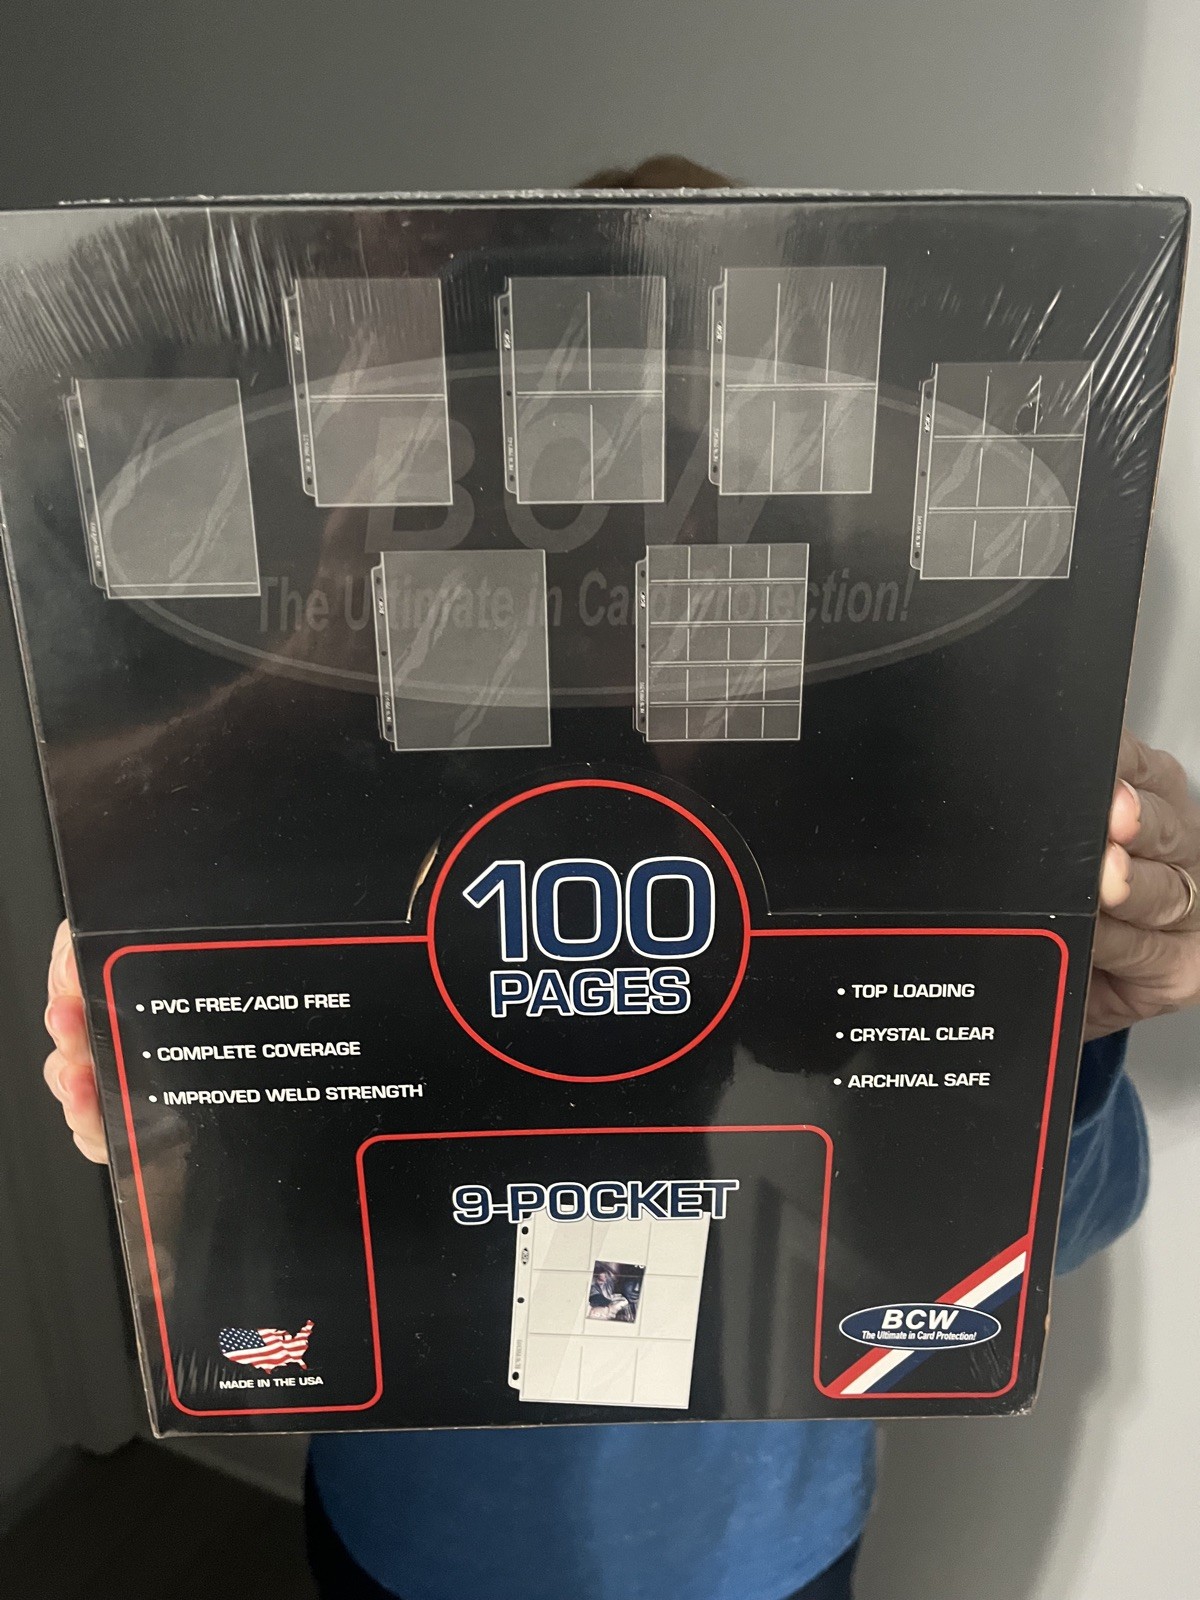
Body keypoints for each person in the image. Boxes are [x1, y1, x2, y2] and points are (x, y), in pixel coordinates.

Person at [39, 158, 1200, 1599]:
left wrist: (1058, 1021)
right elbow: (223, 1167)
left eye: (667, 449)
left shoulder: (847, 762)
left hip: (750, 1529)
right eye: (541, 455)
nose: (598, 522)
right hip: (418, 1517)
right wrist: (170, 1024)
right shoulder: (343, 744)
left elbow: (1030, 1226)